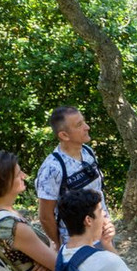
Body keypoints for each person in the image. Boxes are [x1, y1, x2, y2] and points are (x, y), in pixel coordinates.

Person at [35, 106, 110, 251]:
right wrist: (59, 244)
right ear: (64, 135)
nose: (87, 127)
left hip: (103, 233)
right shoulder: (52, 168)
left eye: (84, 122)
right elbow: (45, 216)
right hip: (78, 246)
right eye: (79, 125)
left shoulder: (88, 152)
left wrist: (105, 222)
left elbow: (98, 191)